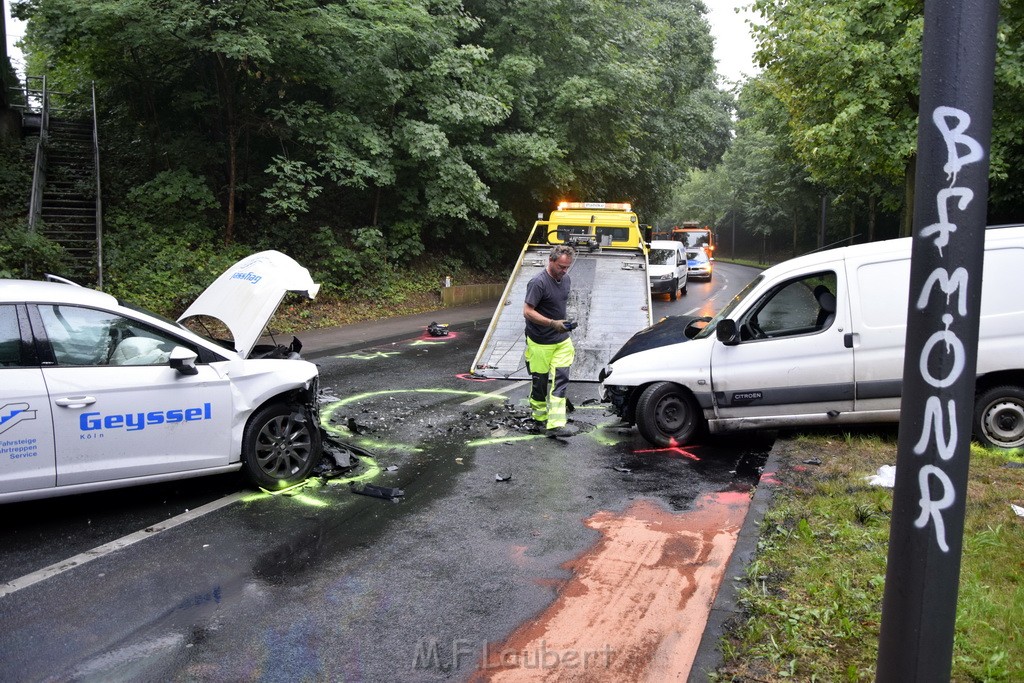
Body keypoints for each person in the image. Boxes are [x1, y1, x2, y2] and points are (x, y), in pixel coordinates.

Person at [523, 245, 578, 437]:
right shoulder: (538, 283)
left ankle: (556, 424)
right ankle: (539, 418)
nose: (564, 271)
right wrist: (552, 323)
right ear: (551, 260)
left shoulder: (566, 280)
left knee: (560, 380)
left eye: (567, 267)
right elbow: (528, 311)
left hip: (561, 341)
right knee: (540, 382)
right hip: (539, 341)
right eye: (561, 267)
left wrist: (564, 324)